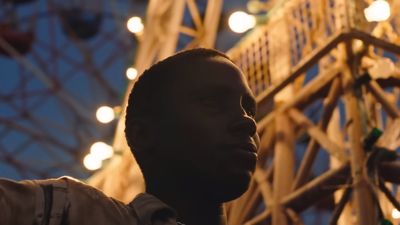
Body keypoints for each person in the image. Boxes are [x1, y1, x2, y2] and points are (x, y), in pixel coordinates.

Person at [0, 48, 259, 225]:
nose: (247, 122)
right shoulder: (72, 211)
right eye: (211, 103)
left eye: (250, 109)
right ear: (143, 134)